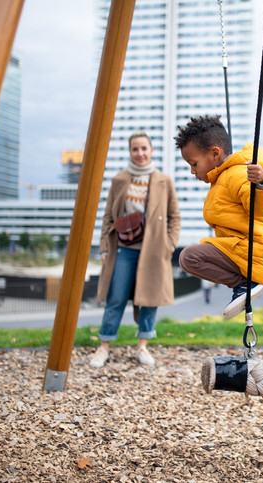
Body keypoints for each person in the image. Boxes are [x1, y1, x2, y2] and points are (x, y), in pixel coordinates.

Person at [90, 131, 181, 368]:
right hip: (122, 248)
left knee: (150, 299)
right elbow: (108, 216)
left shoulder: (164, 180)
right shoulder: (119, 180)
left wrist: (170, 244)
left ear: (151, 150)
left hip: (153, 250)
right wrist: (104, 247)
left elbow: (175, 216)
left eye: (143, 148)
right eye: (135, 149)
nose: (140, 153)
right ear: (130, 152)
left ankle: (142, 347)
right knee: (116, 297)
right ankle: (104, 346)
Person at [174, 115, 263, 319]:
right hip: (241, 247)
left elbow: (262, 211)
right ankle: (244, 284)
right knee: (189, 258)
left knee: (189, 257)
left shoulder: (238, 174)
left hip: (254, 249)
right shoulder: (222, 178)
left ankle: (244, 284)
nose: (192, 171)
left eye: (194, 164)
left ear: (214, 153)